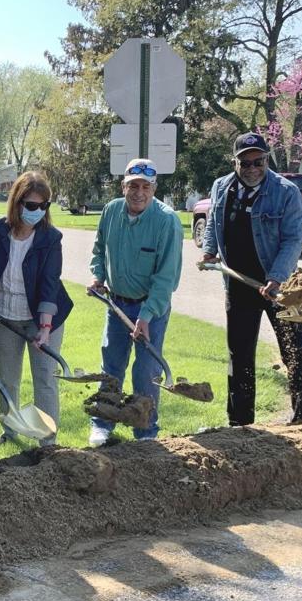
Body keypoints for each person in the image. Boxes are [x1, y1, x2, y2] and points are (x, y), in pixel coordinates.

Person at [201, 132, 302, 425]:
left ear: (266, 159)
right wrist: (209, 250)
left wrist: (276, 278)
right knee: (239, 357)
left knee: (294, 354)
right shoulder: (221, 187)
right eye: (245, 162)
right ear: (235, 161)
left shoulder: (285, 192)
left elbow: (292, 239)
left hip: (280, 287)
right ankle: (240, 424)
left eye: (258, 161)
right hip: (239, 286)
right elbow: (213, 220)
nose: (251, 168)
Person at [86, 158, 185, 445]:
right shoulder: (111, 210)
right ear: (123, 186)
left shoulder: (167, 222)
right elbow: (99, 250)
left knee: (146, 371)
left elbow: (166, 278)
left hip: (150, 308)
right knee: (111, 366)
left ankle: (145, 432)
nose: (138, 192)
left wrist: (146, 315)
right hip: (116, 305)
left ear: (154, 188)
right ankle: (103, 424)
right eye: (132, 186)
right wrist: (98, 277)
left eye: (145, 186)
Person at [0, 171, 73, 446]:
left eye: (43, 206)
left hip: (42, 318)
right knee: (8, 379)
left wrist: (46, 327)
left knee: (45, 379)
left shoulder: (50, 238)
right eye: (31, 205)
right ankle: (10, 431)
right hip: (5, 316)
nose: (37, 211)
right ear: (17, 202)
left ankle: (48, 441)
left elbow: (50, 282)